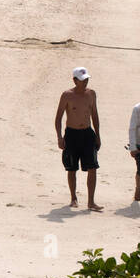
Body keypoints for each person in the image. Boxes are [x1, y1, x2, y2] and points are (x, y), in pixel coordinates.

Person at [55, 66, 103, 211]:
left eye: (87, 79)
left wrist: (98, 135)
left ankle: (91, 202)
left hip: (88, 133)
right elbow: (58, 118)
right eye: (82, 80)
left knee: (93, 167)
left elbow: (95, 115)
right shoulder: (67, 95)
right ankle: (73, 198)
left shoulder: (91, 94)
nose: (85, 82)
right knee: (71, 168)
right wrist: (59, 137)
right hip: (72, 134)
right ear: (75, 80)